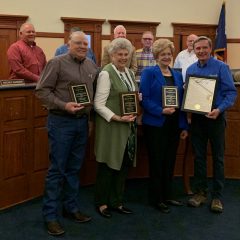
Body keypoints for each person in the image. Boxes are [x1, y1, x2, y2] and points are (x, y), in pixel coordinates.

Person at [35, 31, 98, 236]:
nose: (82, 46)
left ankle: (70, 208)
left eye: (85, 44)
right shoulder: (56, 63)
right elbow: (42, 91)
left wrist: (89, 121)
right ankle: (50, 216)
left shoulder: (90, 66)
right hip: (61, 122)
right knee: (57, 170)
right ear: (69, 44)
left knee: (74, 169)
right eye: (78, 43)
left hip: (81, 124)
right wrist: (64, 105)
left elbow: (93, 96)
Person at [187, 36, 237, 213]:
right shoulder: (191, 69)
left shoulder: (222, 67)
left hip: (216, 117)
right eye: (197, 48)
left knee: (218, 158)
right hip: (198, 120)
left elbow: (231, 93)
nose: (201, 51)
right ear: (194, 50)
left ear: (210, 49)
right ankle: (200, 192)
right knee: (199, 157)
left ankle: (217, 196)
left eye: (204, 48)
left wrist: (219, 109)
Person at [139, 39, 188, 213]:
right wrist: (161, 111)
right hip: (156, 123)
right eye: (163, 54)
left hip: (174, 124)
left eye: (169, 54)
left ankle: (168, 195)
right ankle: (156, 198)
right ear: (156, 56)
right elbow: (144, 99)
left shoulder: (176, 74)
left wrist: (184, 126)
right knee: (157, 161)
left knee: (170, 160)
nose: (166, 57)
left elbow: (181, 102)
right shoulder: (149, 73)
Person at [94, 38, 138, 218]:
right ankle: (102, 203)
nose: (123, 57)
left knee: (123, 164)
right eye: (119, 54)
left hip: (128, 126)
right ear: (111, 55)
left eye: (126, 54)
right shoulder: (106, 73)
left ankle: (117, 201)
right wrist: (117, 117)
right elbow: (98, 104)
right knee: (108, 165)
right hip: (111, 126)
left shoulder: (128, 72)